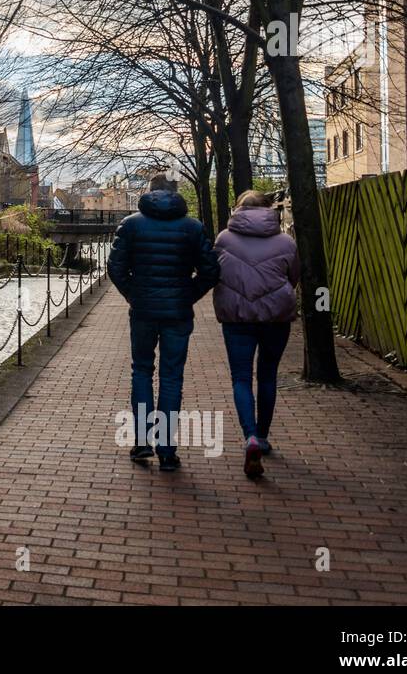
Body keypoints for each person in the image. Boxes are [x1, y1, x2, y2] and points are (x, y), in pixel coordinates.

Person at [108, 173, 219, 471]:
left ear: (150, 191)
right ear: (176, 192)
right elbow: (210, 271)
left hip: (143, 312)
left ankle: (143, 442)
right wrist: (187, 295)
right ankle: (167, 451)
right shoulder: (193, 227)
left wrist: (134, 294)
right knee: (172, 377)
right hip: (177, 314)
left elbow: (115, 268)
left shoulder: (131, 225)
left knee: (142, 371)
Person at [212, 191, 301, 479]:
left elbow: (216, 273)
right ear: (269, 209)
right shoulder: (286, 241)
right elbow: (294, 276)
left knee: (241, 377)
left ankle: (249, 435)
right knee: (268, 375)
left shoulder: (224, 238)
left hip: (237, 318)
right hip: (276, 317)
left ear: (238, 209)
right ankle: (262, 437)